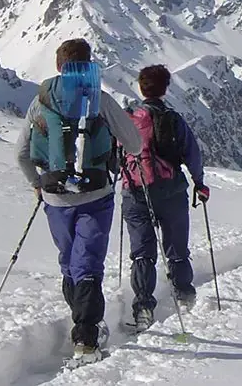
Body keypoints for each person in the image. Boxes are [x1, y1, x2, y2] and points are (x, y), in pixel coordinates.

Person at [15, 39, 143, 367]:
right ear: (87, 66)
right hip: (96, 193)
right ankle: (86, 338)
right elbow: (134, 142)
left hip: (55, 196)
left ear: (59, 66)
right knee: (87, 263)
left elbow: (21, 152)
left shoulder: (41, 100)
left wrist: (37, 184)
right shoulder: (100, 99)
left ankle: (83, 323)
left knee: (70, 261)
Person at [121, 64, 209, 331]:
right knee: (177, 249)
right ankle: (185, 296)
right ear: (165, 88)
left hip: (136, 193)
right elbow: (192, 154)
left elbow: (115, 155)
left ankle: (144, 308)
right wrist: (199, 183)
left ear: (140, 86)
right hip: (171, 192)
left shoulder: (127, 119)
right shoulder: (173, 119)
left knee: (142, 253)